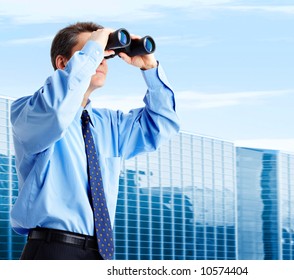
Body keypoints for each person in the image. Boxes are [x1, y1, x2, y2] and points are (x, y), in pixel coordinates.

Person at [10, 22, 180, 260]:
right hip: (54, 250)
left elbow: (162, 125)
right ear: (62, 63)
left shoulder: (108, 124)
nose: (99, 59)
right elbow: (56, 112)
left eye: (103, 54)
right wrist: (95, 46)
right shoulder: (29, 111)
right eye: (92, 52)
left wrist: (150, 68)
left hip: (100, 253)